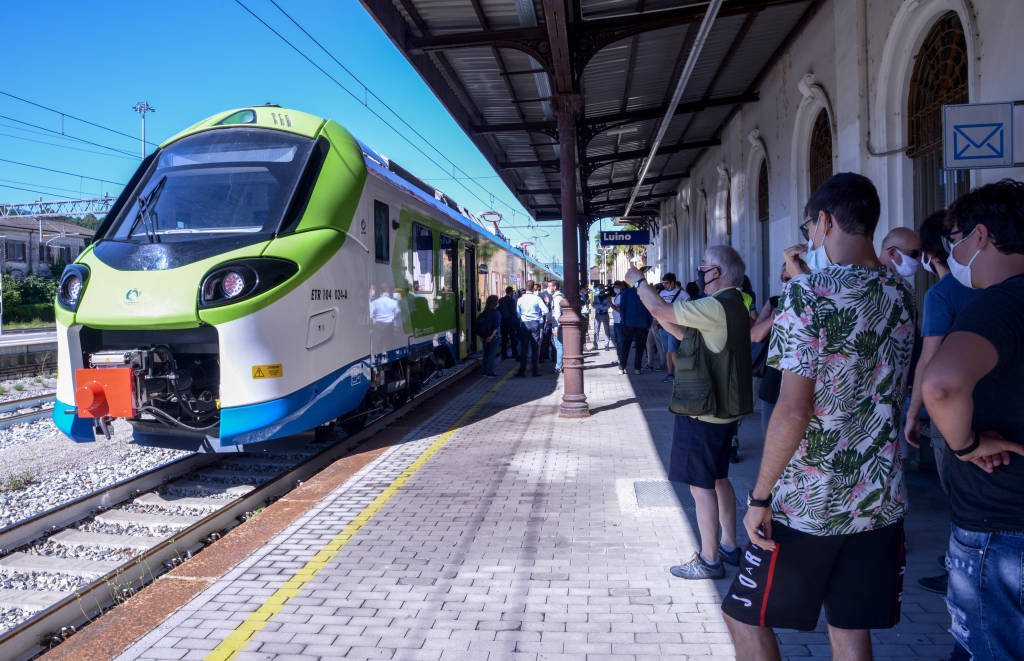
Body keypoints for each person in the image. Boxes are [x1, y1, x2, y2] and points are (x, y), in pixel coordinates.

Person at [723, 173, 915, 660]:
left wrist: (759, 495)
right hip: (879, 498)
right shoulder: (901, 294)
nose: (810, 236)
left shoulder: (807, 294)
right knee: (849, 627)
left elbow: (792, 408)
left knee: (743, 614)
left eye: (811, 226)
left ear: (825, 221)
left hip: (810, 503)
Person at [921, 179, 1024, 661]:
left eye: (955, 238)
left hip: (998, 526)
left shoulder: (998, 306)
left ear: (980, 236)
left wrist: (964, 446)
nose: (953, 253)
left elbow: (941, 384)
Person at [624, 245, 752, 579]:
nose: (699, 272)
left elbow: (658, 307)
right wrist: (662, 317)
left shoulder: (714, 305)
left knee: (700, 486)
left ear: (718, 273)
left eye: (704, 267)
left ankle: (709, 560)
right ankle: (728, 546)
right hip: (724, 412)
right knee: (719, 477)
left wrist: (639, 280)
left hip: (703, 412)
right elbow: (685, 333)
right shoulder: (737, 304)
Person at [750, 264, 791, 440]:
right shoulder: (775, 302)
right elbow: (754, 336)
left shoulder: (815, 300)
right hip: (774, 374)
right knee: (770, 433)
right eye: (786, 279)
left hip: (799, 376)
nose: (790, 283)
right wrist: (772, 320)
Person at [616, 277, 652, 375]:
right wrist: (649, 322)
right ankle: (637, 368)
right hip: (642, 323)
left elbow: (622, 308)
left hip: (629, 322)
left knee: (625, 346)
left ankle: (622, 367)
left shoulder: (626, 293)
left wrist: (623, 320)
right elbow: (649, 308)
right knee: (640, 346)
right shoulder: (645, 293)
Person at [515, 280, 548, 377]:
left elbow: (517, 314)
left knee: (524, 348)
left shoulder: (520, 299)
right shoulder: (537, 298)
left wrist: (523, 316)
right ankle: (535, 371)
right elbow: (545, 310)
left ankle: (522, 371)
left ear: (525, 287)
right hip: (535, 324)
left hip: (524, 324)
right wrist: (538, 314)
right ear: (534, 287)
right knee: (535, 348)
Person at [658, 273, 687, 383]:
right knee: (668, 351)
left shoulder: (681, 293)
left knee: (673, 350)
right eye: (663, 283)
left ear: (672, 283)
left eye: (666, 283)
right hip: (662, 325)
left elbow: (689, 303)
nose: (664, 285)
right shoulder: (661, 293)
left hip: (674, 325)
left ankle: (678, 375)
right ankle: (670, 373)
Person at [479, 295, 501, 377]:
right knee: (491, 354)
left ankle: (484, 371)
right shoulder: (497, 313)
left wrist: (481, 336)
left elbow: (480, 325)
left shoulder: (484, 313)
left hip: (484, 336)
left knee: (485, 354)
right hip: (493, 337)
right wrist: (491, 337)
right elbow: (496, 327)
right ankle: (490, 371)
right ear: (496, 303)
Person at [545, 280, 565, 373]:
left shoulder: (557, 298)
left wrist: (556, 327)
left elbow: (557, 313)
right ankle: (560, 365)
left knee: (559, 346)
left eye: (550, 286)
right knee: (559, 345)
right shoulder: (557, 297)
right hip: (557, 324)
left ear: (555, 287)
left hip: (557, 325)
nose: (549, 288)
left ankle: (558, 366)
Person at [645, 284, 665, 371]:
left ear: (658, 290)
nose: (652, 289)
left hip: (658, 322)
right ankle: (650, 363)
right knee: (649, 343)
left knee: (659, 344)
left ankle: (662, 364)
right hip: (653, 322)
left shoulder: (660, 297)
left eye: (654, 288)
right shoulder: (654, 297)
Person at [498, 286, 520, 360]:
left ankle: (504, 355)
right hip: (511, 323)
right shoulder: (512, 300)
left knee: (504, 339)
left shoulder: (501, 300)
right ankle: (515, 354)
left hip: (503, 323)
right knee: (513, 339)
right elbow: (514, 312)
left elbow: (499, 310)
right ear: (511, 292)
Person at [591, 285, 612, 350]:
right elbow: (594, 305)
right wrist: (601, 305)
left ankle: (607, 345)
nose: (600, 289)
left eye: (601, 288)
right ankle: (595, 345)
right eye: (599, 288)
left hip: (605, 314)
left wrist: (599, 306)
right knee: (596, 330)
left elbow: (608, 306)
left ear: (603, 288)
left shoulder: (608, 296)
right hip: (597, 315)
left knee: (606, 330)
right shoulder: (596, 296)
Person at [611, 281, 625, 351]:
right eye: (615, 287)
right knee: (617, 340)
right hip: (616, 321)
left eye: (617, 287)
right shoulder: (617, 295)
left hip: (620, 321)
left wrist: (610, 303)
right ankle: (620, 357)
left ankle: (622, 358)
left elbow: (619, 309)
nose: (615, 289)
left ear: (621, 287)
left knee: (620, 341)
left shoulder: (621, 296)